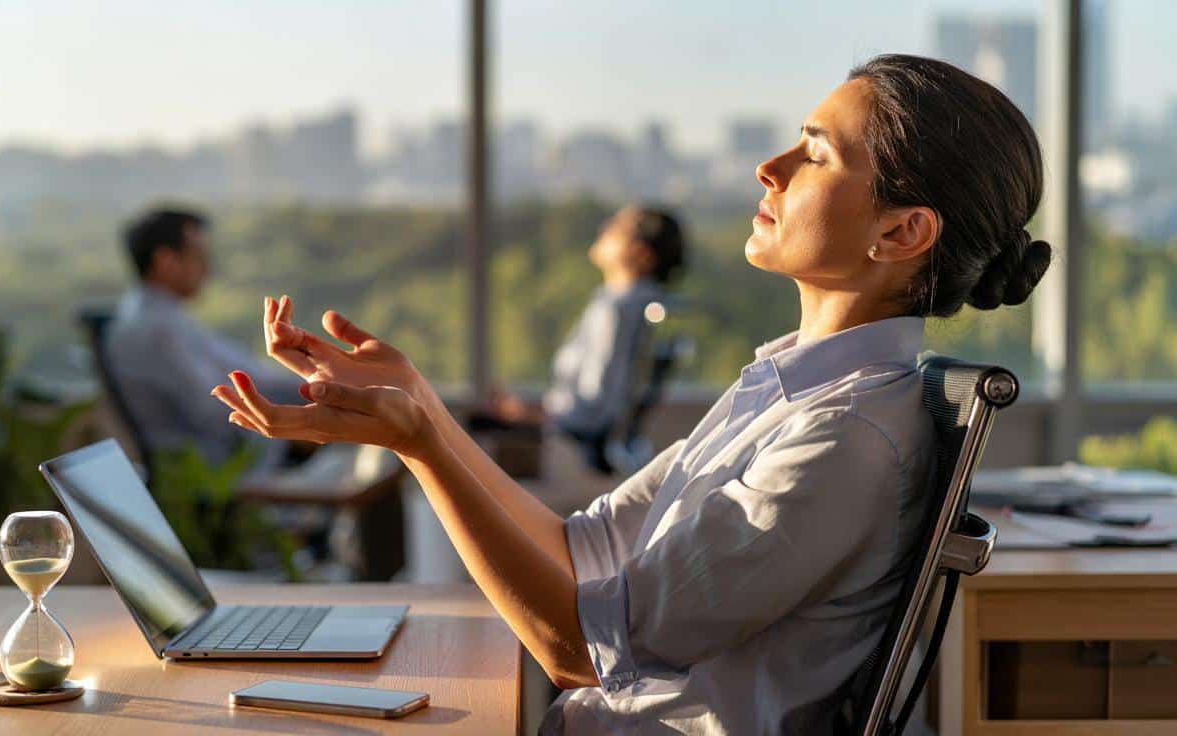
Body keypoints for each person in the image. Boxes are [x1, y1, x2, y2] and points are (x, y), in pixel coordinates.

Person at [211, 54, 1052, 734]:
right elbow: (579, 547)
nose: (770, 168)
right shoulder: (787, 389)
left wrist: (421, 445)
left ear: (902, 232)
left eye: (816, 155)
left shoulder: (847, 438)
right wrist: (420, 404)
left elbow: (580, 650)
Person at [480, 204, 687, 473]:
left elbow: (593, 409)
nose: (604, 229)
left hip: (574, 457)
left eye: (616, 227)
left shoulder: (619, 310)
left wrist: (531, 417)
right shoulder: (637, 306)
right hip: (585, 449)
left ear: (641, 253)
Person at [107, 207, 301, 471]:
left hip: (230, 453)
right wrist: (302, 421)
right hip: (220, 467)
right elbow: (215, 412)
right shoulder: (156, 330)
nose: (207, 270)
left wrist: (316, 389)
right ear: (166, 261)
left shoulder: (160, 316)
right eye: (199, 257)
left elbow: (250, 373)